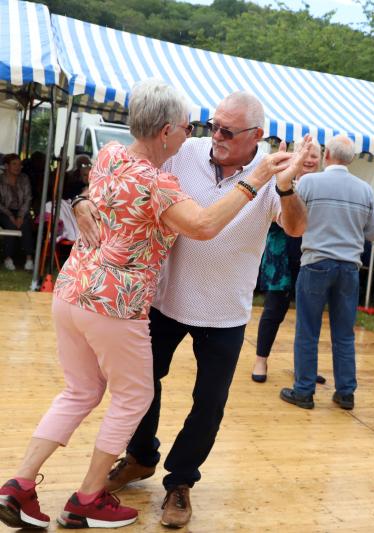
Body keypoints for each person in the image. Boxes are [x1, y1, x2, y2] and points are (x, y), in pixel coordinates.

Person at [0, 80, 297, 530]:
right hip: (117, 305)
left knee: (82, 391)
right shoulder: (161, 182)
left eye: (220, 129)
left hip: (74, 289)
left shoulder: (110, 155)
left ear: (256, 135)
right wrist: (256, 180)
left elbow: (293, 228)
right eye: (192, 126)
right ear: (164, 132)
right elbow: (200, 226)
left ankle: (18, 486)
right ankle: (88, 497)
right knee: (136, 394)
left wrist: (281, 184)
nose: (201, 135)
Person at [279, 135, 374, 411]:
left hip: (315, 263)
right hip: (349, 267)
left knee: (307, 330)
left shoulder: (310, 182)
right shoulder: (365, 191)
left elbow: (292, 217)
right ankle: (345, 392)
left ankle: (304, 391)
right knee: (344, 332)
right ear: (351, 159)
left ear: (327, 157)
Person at [251, 137, 321, 382]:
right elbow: (267, 213)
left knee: (309, 312)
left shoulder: (321, 186)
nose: (310, 160)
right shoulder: (280, 178)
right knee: (274, 308)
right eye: (307, 155)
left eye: (315, 156)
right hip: (281, 251)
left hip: (310, 253)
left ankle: (305, 367)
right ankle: (261, 361)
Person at [0, 153, 34, 271]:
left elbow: (28, 198)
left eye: (19, 164)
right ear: (6, 166)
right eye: (14, 164)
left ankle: (29, 258)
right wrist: (11, 216)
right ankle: (8, 258)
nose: (17, 167)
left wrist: (20, 215)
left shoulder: (24, 178)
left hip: (21, 210)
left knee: (26, 224)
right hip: (4, 211)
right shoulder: (1, 179)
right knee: (10, 226)